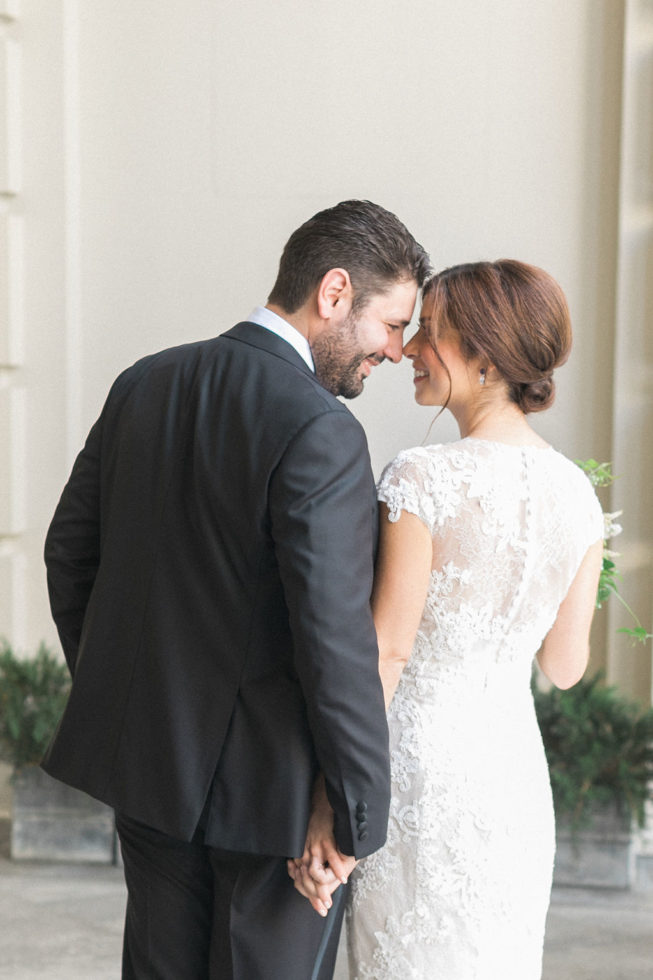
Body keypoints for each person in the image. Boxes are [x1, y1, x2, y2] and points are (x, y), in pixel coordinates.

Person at [42, 199, 431, 980]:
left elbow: (68, 555)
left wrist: (128, 699)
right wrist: (352, 815)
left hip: (147, 771)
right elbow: (331, 637)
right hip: (274, 803)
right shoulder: (320, 427)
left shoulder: (144, 383)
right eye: (391, 324)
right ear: (332, 293)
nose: (395, 351)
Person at [298, 259, 604, 978]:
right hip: (511, 780)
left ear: (487, 358)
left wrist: (328, 803)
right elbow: (563, 669)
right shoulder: (577, 496)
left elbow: (386, 653)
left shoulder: (420, 478)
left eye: (429, 333)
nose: (406, 350)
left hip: (420, 778)